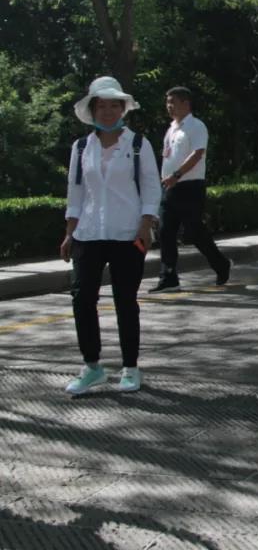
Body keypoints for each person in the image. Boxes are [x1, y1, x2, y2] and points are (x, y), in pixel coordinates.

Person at [61, 77, 161, 394]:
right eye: (101, 106)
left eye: (113, 105)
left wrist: (145, 227)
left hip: (127, 233)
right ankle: (92, 366)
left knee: (125, 302)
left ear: (123, 109)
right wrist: (69, 234)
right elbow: (75, 194)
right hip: (88, 233)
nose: (107, 111)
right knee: (82, 299)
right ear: (92, 110)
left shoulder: (137, 144)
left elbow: (150, 189)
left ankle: (130, 367)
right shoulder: (80, 147)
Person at [151, 87, 230, 293]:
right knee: (165, 231)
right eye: (167, 102)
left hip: (189, 187)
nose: (169, 106)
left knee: (194, 232)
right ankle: (168, 277)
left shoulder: (196, 126)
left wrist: (176, 175)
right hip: (170, 187)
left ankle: (221, 264)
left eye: (173, 102)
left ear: (186, 103)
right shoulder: (171, 129)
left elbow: (197, 154)